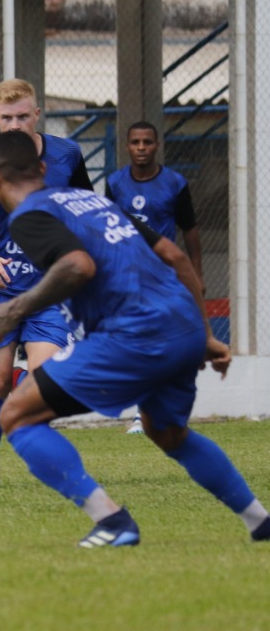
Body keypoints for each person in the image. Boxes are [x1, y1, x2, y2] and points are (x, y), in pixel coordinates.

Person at [0, 130, 270, 547]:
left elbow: (77, 266)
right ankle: (260, 521)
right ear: (43, 168)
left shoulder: (28, 215)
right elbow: (174, 255)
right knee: (168, 432)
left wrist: (13, 309)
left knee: (16, 416)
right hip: (181, 326)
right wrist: (203, 333)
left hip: (135, 334)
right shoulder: (96, 201)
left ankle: (112, 521)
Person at [0, 78, 91, 487]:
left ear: (37, 115)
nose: (15, 125)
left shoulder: (67, 155)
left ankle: (22, 387)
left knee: (47, 387)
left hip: (49, 290)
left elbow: (85, 208)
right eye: (6, 118)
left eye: (23, 116)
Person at [104, 120, 204, 434]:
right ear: (127, 146)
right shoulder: (115, 183)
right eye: (136, 142)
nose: (142, 148)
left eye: (148, 142)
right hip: (128, 275)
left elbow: (190, 231)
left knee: (169, 341)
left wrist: (196, 276)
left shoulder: (175, 182)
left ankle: (165, 410)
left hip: (167, 276)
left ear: (157, 145)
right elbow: (108, 227)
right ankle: (142, 413)